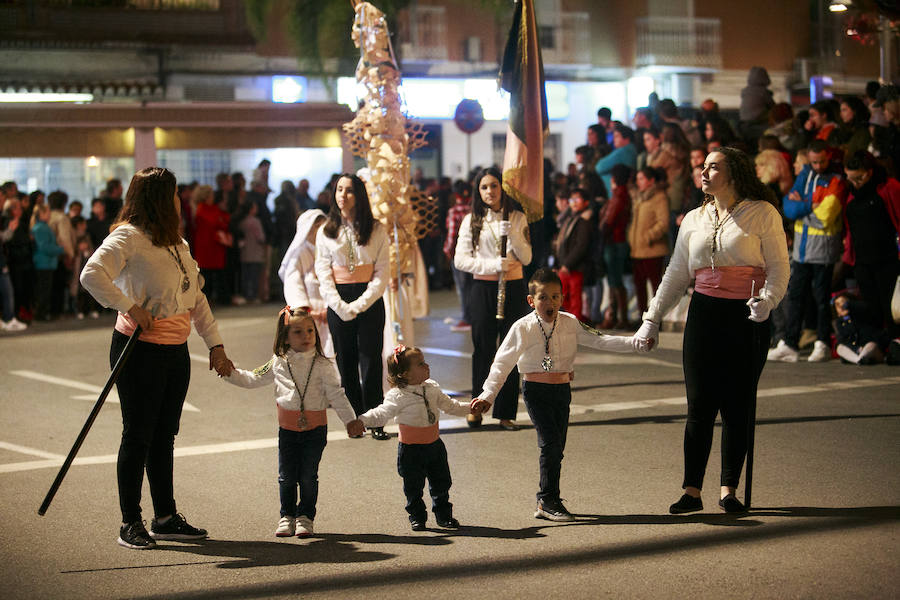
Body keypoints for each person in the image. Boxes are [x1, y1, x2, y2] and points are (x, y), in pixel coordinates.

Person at [80, 167, 235, 550]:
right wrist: (129, 306)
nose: (178, 201)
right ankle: (129, 521)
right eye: (173, 194)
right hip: (139, 349)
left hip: (175, 350)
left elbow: (194, 297)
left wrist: (214, 344)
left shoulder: (176, 242)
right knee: (138, 435)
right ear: (157, 199)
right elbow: (91, 274)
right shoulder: (128, 237)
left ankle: (164, 517)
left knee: (164, 436)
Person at [633, 147, 789, 514]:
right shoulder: (693, 218)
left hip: (746, 315)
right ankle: (691, 491)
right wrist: (651, 317)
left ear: (733, 172)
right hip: (704, 313)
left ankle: (728, 488)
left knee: (737, 406)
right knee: (699, 406)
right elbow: (676, 273)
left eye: (712, 166)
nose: (703, 172)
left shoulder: (762, 213)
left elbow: (780, 267)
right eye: (702, 166)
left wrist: (767, 301)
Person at [471, 268, 635, 521]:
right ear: (531, 300)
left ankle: (548, 500)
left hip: (562, 390)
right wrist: (488, 395)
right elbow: (502, 363)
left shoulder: (569, 322)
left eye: (556, 296)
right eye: (544, 297)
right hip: (535, 391)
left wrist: (636, 342)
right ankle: (547, 499)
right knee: (550, 444)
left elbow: (600, 339)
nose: (551, 303)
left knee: (557, 448)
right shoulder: (522, 327)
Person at [221, 308, 361, 537]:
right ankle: (286, 516)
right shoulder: (278, 362)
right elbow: (253, 377)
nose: (306, 336)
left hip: (315, 430)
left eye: (309, 331)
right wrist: (229, 373)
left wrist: (350, 421)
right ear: (285, 337)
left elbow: (337, 395)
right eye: (298, 332)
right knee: (286, 476)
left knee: (308, 476)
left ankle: (305, 516)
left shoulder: (323, 365)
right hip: (287, 430)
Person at [349, 346, 482, 531]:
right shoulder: (398, 395)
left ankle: (444, 516)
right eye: (420, 364)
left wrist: (470, 408)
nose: (427, 365)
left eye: (425, 361)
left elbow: (451, 406)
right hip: (410, 450)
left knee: (442, 482)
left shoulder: (432, 388)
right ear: (405, 374)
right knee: (413, 487)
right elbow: (381, 413)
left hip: (434, 445)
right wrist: (362, 421)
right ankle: (417, 516)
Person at [454, 167, 532, 430]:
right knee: (483, 349)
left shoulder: (517, 217)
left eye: (494, 186)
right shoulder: (471, 220)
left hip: (513, 288)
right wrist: (490, 265)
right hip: (483, 289)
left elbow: (528, 257)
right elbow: (460, 259)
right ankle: (477, 407)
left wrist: (511, 235)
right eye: (484, 187)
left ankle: (506, 412)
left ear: (502, 188)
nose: (490, 191)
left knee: (509, 350)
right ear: (478, 191)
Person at [314, 173, 390, 440]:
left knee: (371, 360)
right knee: (346, 362)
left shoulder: (377, 229)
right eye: (339, 190)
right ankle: (354, 419)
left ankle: (375, 419)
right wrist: (338, 305)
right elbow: (322, 273)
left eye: (348, 191)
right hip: (338, 299)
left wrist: (360, 304)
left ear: (359, 196)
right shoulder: (326, 230)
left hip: (368, 299)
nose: (342, 195)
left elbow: (382, 272)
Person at [768, 140, 846, 363]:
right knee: (796, 295)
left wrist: (803, 205)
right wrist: (811, 204)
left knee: (821, 298)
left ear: (828, 156)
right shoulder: (805, 175)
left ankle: (822, 342)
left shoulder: (836, 180)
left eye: (821, 161)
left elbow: (826, 216)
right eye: (814, 162)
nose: (818, 165)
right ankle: (789, 344)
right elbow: (789, 208)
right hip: (803, 249)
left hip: (823, 250)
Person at [280, 209, 332, 356]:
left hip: (330, 310)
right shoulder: (299, 253)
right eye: (317, 227)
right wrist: (305, 310)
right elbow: (293, 283)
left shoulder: (328, 250)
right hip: (311, 312)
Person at [628, 166, 670, 318]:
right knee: (639, 286)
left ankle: (656, 317)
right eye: (637, 179)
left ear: (651, 180)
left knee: (655, 287)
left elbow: (663, 223)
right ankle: (642, 317)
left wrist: (648, 236)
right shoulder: (639, 197)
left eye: (641, 178)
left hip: (653, 250)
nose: (638, 182)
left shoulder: (659, 197)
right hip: (637, 250)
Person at [554, 188, 594, 322]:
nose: (574, 203)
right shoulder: (571, 219)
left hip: (575, 267)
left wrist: (567, 264)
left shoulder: (584, 221)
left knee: (575, 299)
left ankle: (575, 327)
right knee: (564, 297)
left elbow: (581, 246)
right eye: (572, 200)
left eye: (577, 199)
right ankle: (570, 324)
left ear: (586, 202)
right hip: (565, 266)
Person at [833, 292, 888, 365]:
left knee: (871, 345)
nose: (841, 306)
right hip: (856, 350)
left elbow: (866, 308)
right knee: (840, 347)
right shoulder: (840, 322)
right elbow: (843, 340)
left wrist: (850, 306)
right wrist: (857, 349)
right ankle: (859, 360)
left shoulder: (860, 315)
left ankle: (861, 358)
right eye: (837, 304)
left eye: (843, 302)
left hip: (867, 346)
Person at [31, 203, 63, 322]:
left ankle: (42, 313)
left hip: (45, 262)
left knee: (44, 289)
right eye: (47, 212)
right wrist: (60, 249)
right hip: (44, 263)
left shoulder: (41, 227)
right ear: (41, 214)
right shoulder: (41, 228)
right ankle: (41, 314)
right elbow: (44, 247)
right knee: (44, 290)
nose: (49, 215)